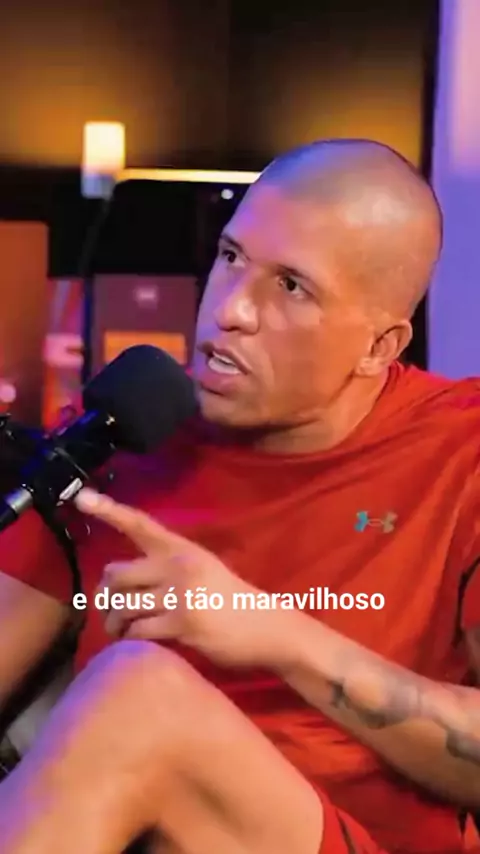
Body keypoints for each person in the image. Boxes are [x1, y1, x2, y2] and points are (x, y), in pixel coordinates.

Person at [0, 138, 479, 853]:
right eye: (230, 257)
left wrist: (271, 632)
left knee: (143, 697)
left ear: (380, 346)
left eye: (291, 286)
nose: (230, 310)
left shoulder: (462, 450)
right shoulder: (128, 432)